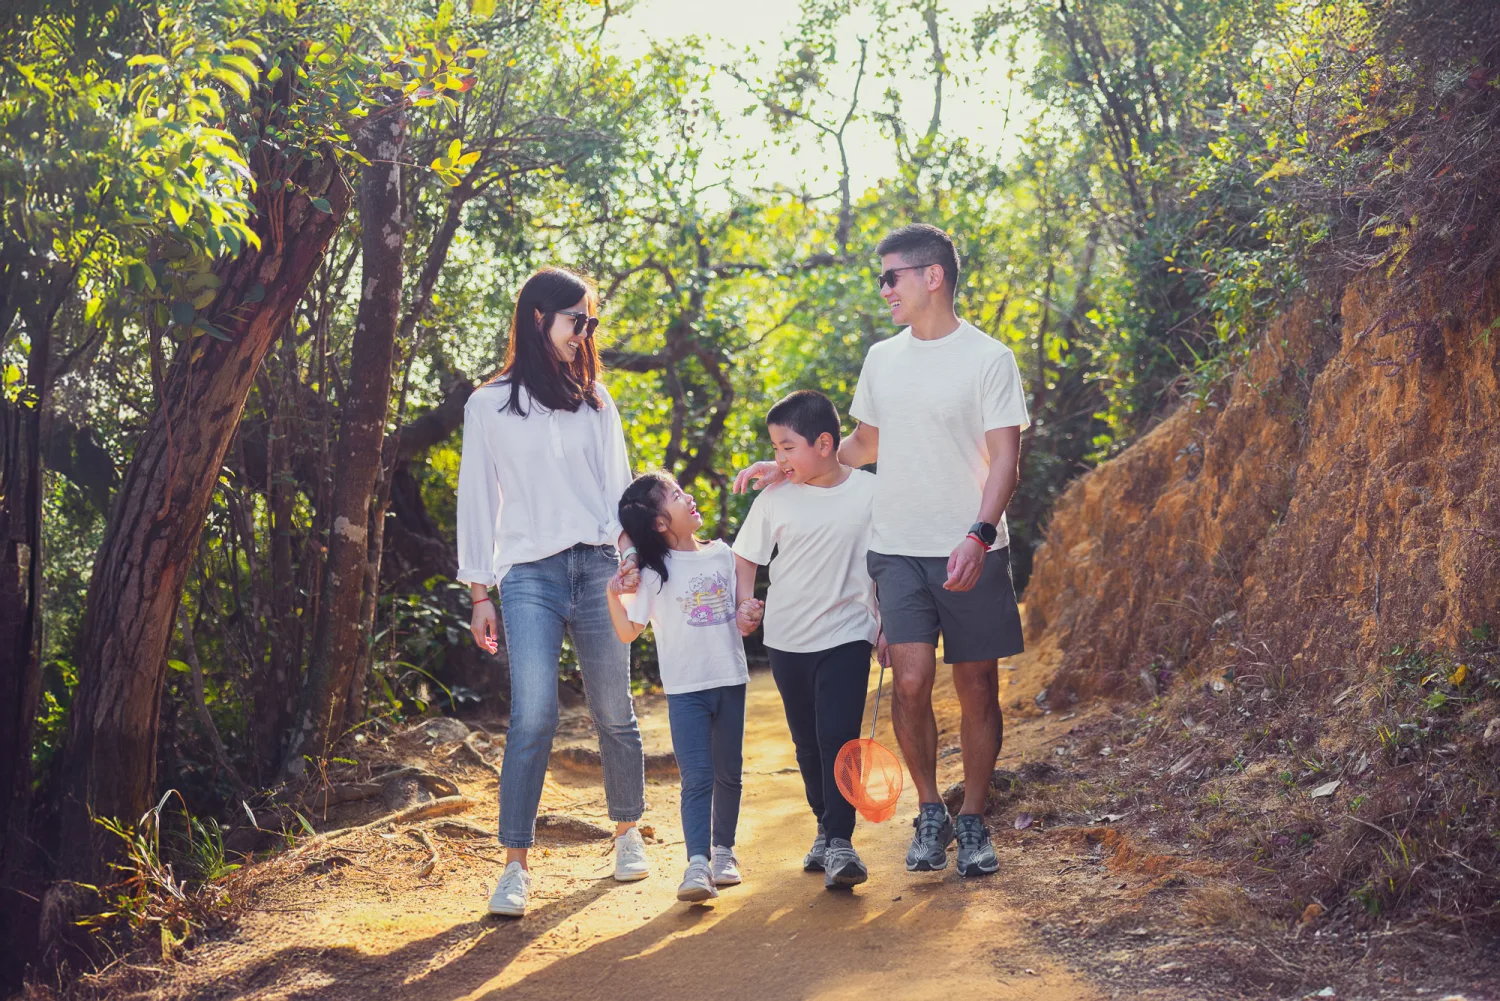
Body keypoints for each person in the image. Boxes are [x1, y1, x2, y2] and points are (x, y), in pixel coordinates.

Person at [734, 224, 1029, 878]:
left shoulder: (988, 359)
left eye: (890, 276)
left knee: (977, 685)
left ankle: (974, 816)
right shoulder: (881, 358)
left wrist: (979, 534)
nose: (883, 289)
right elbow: (861, 444)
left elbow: (1007, 460)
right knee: (912, 680)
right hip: (897, 550)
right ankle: (930, 809)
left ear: (933, 276)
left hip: (970, 546)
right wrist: (796, 466)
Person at [456, 267, 649, 919]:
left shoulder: (594, 400)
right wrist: (479, 590)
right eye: (578, 320)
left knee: (612, 708)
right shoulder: (488, 405)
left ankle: (627, 832)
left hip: (598, 566)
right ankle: (514, 866)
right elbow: (477, 499)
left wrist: (629, 560)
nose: (586, 333)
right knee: (533, 715)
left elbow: (619, 488)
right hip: (528, 576)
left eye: (590, 322)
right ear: (539, 318)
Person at [730, 390, 882, 890]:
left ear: (823, 443)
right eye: (775, 448)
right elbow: (747, 556)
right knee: (807, 743)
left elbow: (886, 562)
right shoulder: (775, 497)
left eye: (786, 447)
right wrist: (745, 603)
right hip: (787, 640)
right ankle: (823, 824)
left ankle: (841, 842)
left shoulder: (870, 493)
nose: (778, 459)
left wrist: (887, 621)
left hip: (848, 634)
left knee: (838, 737)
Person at [606, 471, 750, 903]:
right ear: (658, 524)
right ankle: (698, 864)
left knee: (729, 772)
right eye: (673, 495)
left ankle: (724, 853)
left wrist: (750, 612)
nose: (687, 497)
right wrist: (613, 595)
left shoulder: (724, 555)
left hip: (730, 680)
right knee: (697, 776)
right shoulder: (654, 573)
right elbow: (629, 632)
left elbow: (742, 609)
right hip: (686, 689)